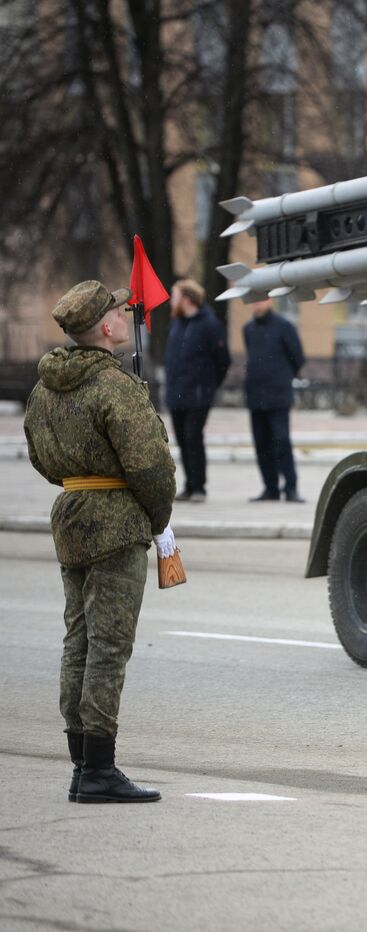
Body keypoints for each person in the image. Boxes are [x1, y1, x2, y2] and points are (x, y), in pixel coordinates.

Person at [24, 280, 176, 803]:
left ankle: (80, 765)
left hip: (71, 516)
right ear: (108, 326)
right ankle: (99, 771)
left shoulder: (45, 389)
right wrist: (159, 517)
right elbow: (151, 467)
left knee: (79, 641)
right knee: (109, 647)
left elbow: (43, 460)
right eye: (116, 310)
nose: (121, 313)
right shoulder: (114, 386)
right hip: (117, 523)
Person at [163, 279, 230, 502]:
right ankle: (189, 485)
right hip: (177, 393)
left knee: (193, 438)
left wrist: (209, 385)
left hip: (199, 394)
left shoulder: (209, 324)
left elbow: (223, 360)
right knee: (182, 440)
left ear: (187, 299)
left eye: (175, 296)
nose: (172, 301)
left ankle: (199, 487)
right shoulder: (177, 324)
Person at [242, 298, 306, 502]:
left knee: (281, 441)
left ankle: (291, 487)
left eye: (261, 299)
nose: (257, 304)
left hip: (278, 396)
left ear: (270, 300)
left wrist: (282, 377)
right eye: (254, 299)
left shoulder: (284, 326)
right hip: (255, 396)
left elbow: (298, 357)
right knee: (261, 443)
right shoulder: (248, 329)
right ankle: (270, 488)